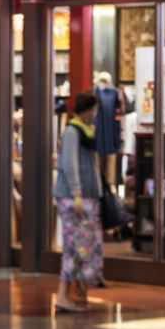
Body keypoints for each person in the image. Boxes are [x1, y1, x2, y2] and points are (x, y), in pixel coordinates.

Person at [53, 91, 103, 312]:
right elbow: (69, 165)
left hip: (82, 197)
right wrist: (77, 195)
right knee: (74, 247)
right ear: (91, 109)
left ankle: (79, 293)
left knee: (83, 246)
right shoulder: (73, 131)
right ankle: (63, 295)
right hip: (74, 198)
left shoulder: (85, 131)